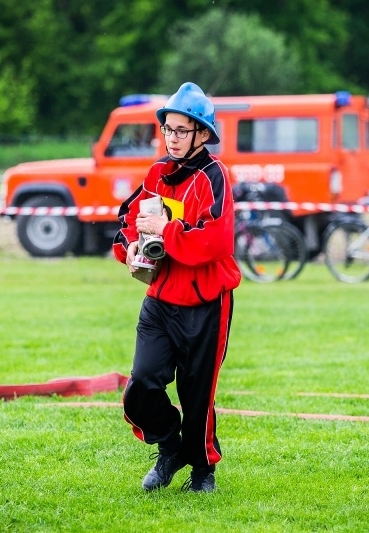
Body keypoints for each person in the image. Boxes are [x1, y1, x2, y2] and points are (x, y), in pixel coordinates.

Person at [112, 82, 241, 493]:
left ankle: (203, 472)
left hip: (207, 303)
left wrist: (166, 231)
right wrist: (130, 248)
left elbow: (216, 241)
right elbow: (126, 221)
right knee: (141, 385)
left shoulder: (214, 175)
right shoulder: (155, 174)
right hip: (160, 303)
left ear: (203, 134)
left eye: (182, 130)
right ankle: (170, 447)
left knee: (197, 395)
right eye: (168, 129)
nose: (172, 137)